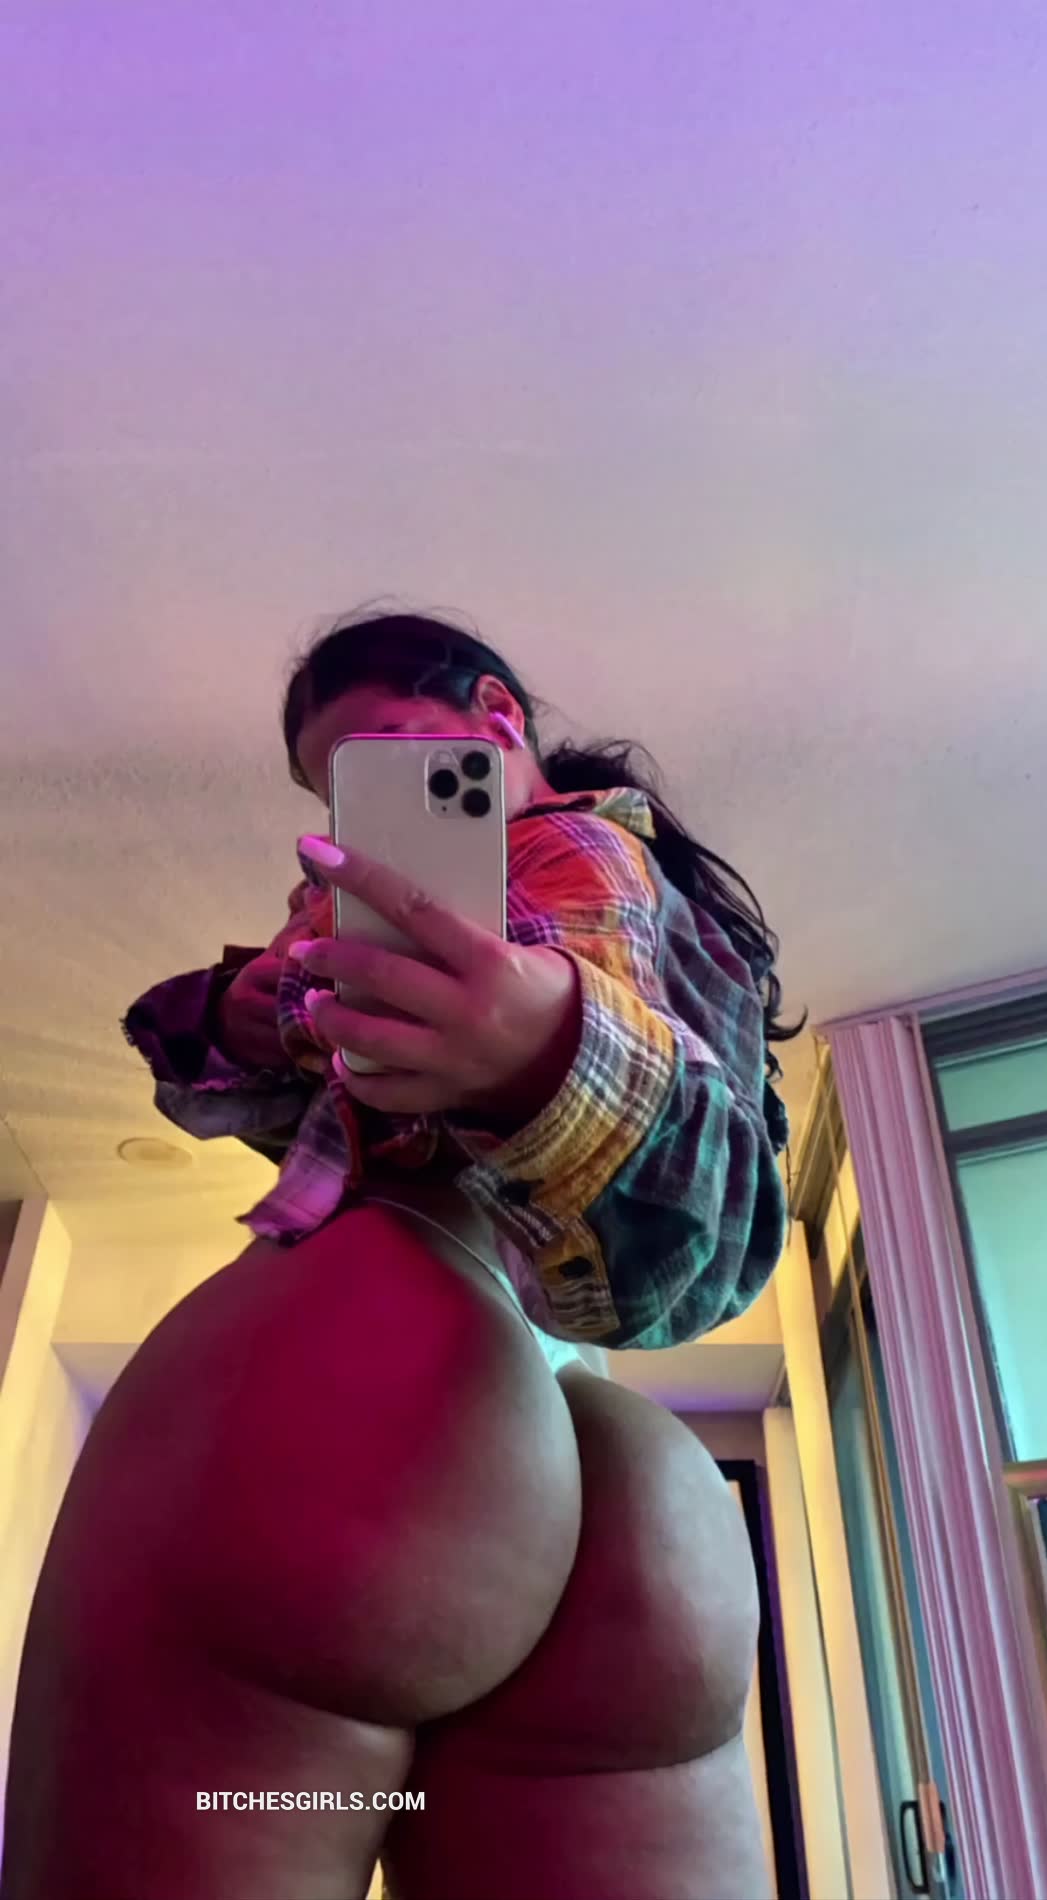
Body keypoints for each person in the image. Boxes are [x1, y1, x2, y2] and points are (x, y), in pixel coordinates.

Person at [1, 612, 799, 1899]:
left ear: (497, 717)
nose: (363, 805)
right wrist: (253, 1010)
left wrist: (544, 1050)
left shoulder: (575, 861)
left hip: (367, 1387)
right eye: (335, 789)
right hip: (636, 1501)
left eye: (388, 755)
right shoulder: (674, 919)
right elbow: (702, 1264)